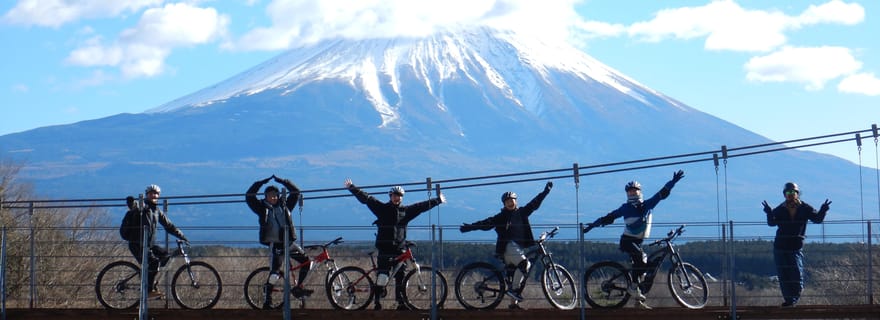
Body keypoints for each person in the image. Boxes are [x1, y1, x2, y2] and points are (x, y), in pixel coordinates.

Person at [583, 170, 684, 309]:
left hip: (638, 242)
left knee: (645, 266)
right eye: (630, 192)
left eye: (634, 192)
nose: (632, 194)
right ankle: (634, 287)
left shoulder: (647, 205)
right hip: (627, 241)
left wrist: (673, 182)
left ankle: (638, 299)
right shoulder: (626, 208)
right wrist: (592, 225)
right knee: (640, 261)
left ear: (639, 192)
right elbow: (609, 217)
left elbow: (662, 194)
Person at [344, 178, 445, 310]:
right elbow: (367, 199)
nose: (397, 198)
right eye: (395, 195)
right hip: (385, 248)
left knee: (400, 277)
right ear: (390, 196)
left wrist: (437, 200)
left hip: (399, 249)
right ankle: (377, 301)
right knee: (382, 276)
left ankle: (401, 302)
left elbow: (420, 207)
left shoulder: (405, 211)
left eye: (400, 196)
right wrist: (352, 187)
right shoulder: (382, 209)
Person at [459, 181, 553, 310]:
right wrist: (470, 227)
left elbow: (534, 203)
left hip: (518, 248)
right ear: (504, 204)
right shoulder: (502, 216)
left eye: (512, 200)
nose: (510, 202)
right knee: (525, 264)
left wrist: (545, 192)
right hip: (508, 247)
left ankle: (513, 304)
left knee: (514, 275)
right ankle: (514, 292)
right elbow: (486, 223)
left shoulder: (522, 212)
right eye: (507, 201)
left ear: (516, 201)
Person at [246, 175, 310, 309]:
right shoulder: (261, 208)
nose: (273, 198)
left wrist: (284, 181)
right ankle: (267, 301)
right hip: (276, 245)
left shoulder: (286, 205)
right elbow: (249, 196)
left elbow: (296, 192)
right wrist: (260, 183)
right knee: (275, 273)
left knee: (306, 263)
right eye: (270, 195)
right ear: (265, 196)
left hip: (289, 243)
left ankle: (298, 288)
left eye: (275, 195)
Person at [762, 182, 831, 307]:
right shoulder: (780, 209)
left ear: (797, 194)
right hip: (780, 246)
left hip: (795, 246)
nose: (790, 195)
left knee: (796, 273)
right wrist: (769, 213)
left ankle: (795, 297)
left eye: (793, 192)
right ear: (784, 195)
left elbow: (817, 219)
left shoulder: (805, 208)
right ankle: (789, 301)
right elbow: (772, 223)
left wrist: (823, 210)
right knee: (783, 274)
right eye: (788, 193)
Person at [124, 184, 189, 299]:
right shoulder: (143, 207)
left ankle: (150, 281)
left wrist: (182, 236)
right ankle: (148, 290)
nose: (153, 195)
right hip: (137, 244)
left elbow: (169, 226)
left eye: (156, 193)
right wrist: (131, 202)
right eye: (151, 193)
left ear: (158, 196)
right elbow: (135, 206)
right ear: (147, 194)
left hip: (149, 244)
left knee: (165, 255)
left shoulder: (157, 211)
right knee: (154, 262)